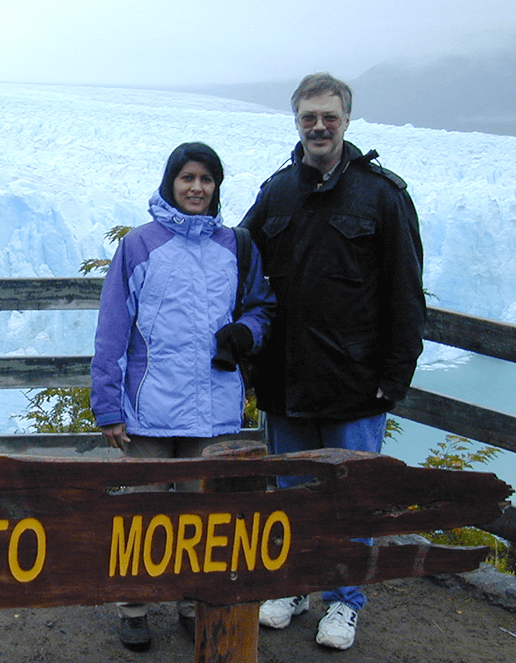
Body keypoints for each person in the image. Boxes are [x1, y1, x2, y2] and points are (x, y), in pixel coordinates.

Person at [240, 73, 425, 650]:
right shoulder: (277, 192)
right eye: (308, 117)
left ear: (347, 120)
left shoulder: (383, 195)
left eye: (329, 117)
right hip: (287, 381)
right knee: (292, 494)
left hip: (356, 384)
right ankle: (294, 586)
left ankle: (344, 603)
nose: (319, 127)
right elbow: (235, 264)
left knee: (351, 500)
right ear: (296, 121)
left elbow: (406, 295)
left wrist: (392, 382)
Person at [91, 142, 274, 651]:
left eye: (207, 179)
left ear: (217, 187)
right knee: (141, 517)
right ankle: (134, 607)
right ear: (171, 181)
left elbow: (261, 307)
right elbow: (112, 327)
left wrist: (246, 333)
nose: (197, 187)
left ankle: (195, 605)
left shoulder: (236, 246)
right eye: (188, 177)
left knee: (204, 521)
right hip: (146, 410)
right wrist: (107, 404)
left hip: (211, 411)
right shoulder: (140, 245)